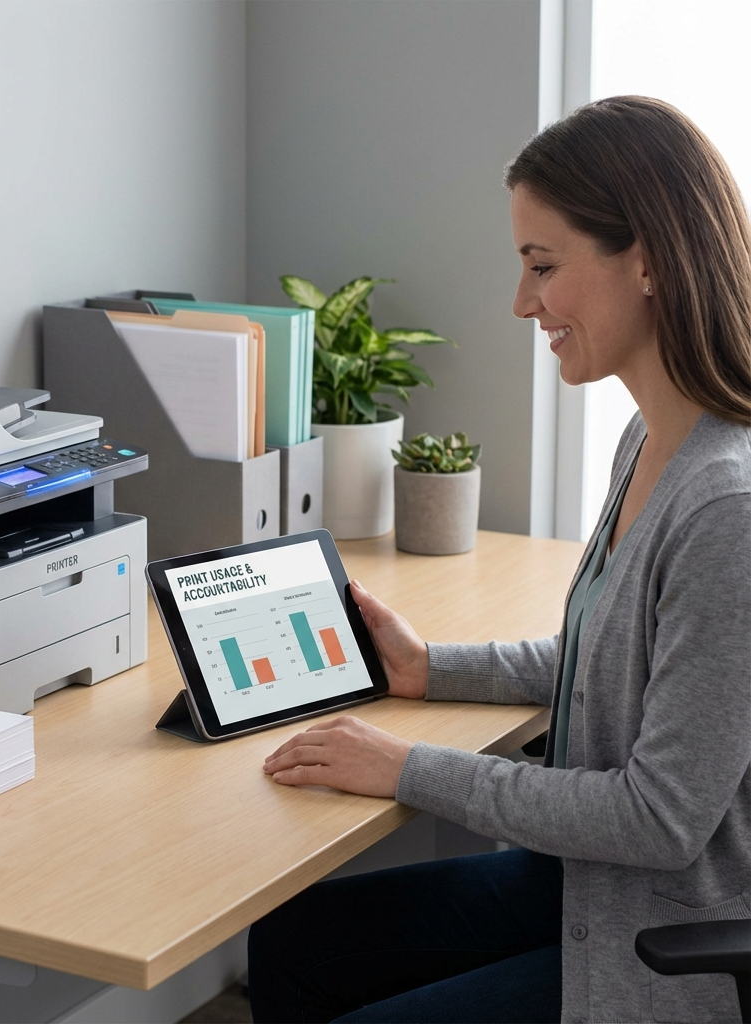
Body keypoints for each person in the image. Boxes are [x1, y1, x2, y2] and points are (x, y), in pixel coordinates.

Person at [248, 96, 751, 1024]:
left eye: (543, 266)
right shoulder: (650, 438)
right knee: (294, 941)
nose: (524, 303)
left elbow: (659, 815)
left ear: (647, 259)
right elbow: (613, 670)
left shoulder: (728, 508)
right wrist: (429, 669)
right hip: (594, 884)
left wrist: (408, 768)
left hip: (667, 939)